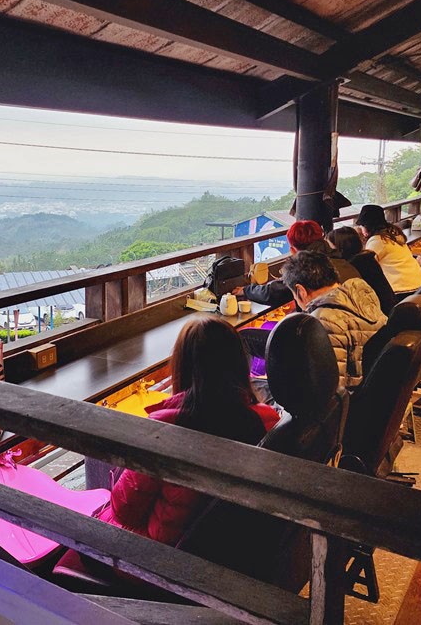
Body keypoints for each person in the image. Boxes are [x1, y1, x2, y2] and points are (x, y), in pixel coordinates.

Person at [96, 316, 279, 546]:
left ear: (182, 367)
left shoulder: (163, 431)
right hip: (229, 545)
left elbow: (125, 510)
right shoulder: (267, 421)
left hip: (167, 554)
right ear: (240, 364)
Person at [280, 251, 384, 387]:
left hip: (351, 400)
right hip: (375, 389)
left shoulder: (324, 320)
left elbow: (330, 388)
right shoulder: (362, 298)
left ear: (301, 291)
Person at [241, 220, 357, 308]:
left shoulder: (306, 269)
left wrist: (246, 290)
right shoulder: (342, 261)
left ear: (293, 250)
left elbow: (273, 293)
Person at [354, 204, 421, 296]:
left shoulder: (378, 241)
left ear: (367, 226)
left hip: (402, 290)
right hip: (419, 286)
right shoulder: (394, 234)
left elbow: (366, 266)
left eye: (362, 226)